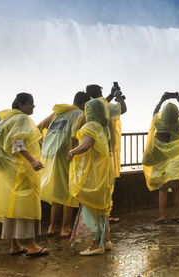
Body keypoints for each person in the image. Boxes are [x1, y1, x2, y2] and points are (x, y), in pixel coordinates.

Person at [0, 93, 49, 257]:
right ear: (21, 105)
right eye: (30, 103)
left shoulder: (4, 121)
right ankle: (32, 245)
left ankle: (14, 245)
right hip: (21, 171)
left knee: (11, 207)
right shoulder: (21, 119)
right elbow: (17, 143)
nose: (33, 107)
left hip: (6, 172)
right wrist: (32, 161)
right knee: (28, 206)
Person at [38, 92, 90, 237]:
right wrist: (74, 153)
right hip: (67, 154)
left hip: (50, 153)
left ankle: (52, 227)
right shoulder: (79, 114)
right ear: (85, 104)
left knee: (57, 190)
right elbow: (75, 136)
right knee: (69, 190)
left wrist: (43, 145)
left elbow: (39, 126)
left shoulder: (58, 112)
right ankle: (65, 228)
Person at [67, 98, 114, 256]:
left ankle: (95, 245)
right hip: (104, 173)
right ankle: (106, 240)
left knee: (90, 208)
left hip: (93, 174)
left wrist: (72, 152)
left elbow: (86, 145)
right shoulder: (103, 128)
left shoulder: (89, 127)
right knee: (102, 208)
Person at [142, 92, 179, 224]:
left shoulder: (158, 123)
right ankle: (177, 215)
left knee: (163, 190)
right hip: (177, 163)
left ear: (164, 114)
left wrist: (161, 100)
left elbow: (154, 113)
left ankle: (162, 216)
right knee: (177, 189)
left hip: (161, 161)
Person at [85, 84, 127, 223]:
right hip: (105, 149)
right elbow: (123, 109)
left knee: (94, 184)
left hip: (90, 150)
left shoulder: (88, 106)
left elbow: (101, 104)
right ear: (99, 93)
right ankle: (105, 215)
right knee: (106, 184)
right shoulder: (105, 107)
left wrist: (111, 95)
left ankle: (97, 216)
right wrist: (119, 97)